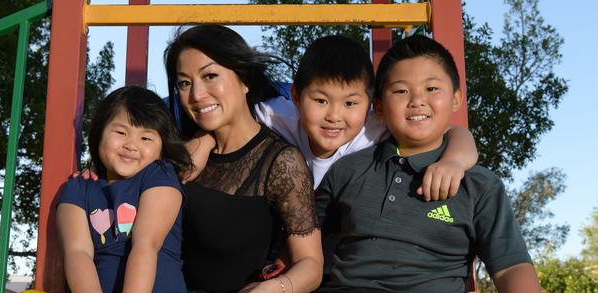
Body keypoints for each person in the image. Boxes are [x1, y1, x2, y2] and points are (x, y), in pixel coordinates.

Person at [277, 35, 554, 293]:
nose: (417, 101)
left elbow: (512, 267)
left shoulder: (479, 184)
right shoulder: (348, 169)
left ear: (456, 99)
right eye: (401, 91)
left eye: (432, 89)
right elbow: (304, 238)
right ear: (377, 105)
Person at [164, 25, 323, 293]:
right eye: (184, 83)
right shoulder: (177, 153)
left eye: (210, 76)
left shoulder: (280, 162)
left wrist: (272, 292)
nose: (196, 95)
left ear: (245, 79)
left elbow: (311, 264)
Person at [36, 86, 217, 293]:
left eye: (146, 137)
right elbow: (77, 252)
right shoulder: (77, 188)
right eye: (120, 132)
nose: (131, 144)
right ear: (99, 134)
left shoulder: (159, 174)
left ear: (160, 148)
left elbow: (147, 244)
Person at [189, 35, 478, 201]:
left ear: (371, 104)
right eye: (321, 100)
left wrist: (453, 161)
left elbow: (455, 132)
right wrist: (203, 141)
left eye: (351, 103)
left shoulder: (374, 126)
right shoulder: (278, 115)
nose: (334, 116)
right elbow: (230, 119)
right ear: (297, 96)